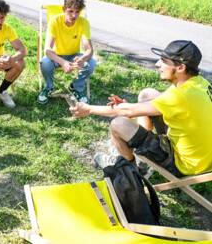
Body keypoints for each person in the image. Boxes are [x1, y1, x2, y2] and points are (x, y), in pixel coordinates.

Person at [70, 40, 212, 177]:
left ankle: (131, 169)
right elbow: (162, 104)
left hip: (183, 164)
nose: (157, 64)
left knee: (118, 124)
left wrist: (88, 109)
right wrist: (134, 107)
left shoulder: (179, 96)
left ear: (181, 67)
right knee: (147, 94)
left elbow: (125, 112)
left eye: (164, 61)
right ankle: (144, 161)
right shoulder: (199, 83)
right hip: (203, 158)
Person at [38, 0, 96, 104]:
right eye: (70, 11)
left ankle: (76, 87)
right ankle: (49, 87)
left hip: (73, 55)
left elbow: (89, 50)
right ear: (64, 9)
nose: (74, 15)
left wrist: (82, 59)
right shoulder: (55, 21)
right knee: (44, 62)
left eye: (77, 12)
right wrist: (63, 62)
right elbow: (48, 50)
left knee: (91, 63)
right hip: (56, 56)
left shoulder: (83, 23)